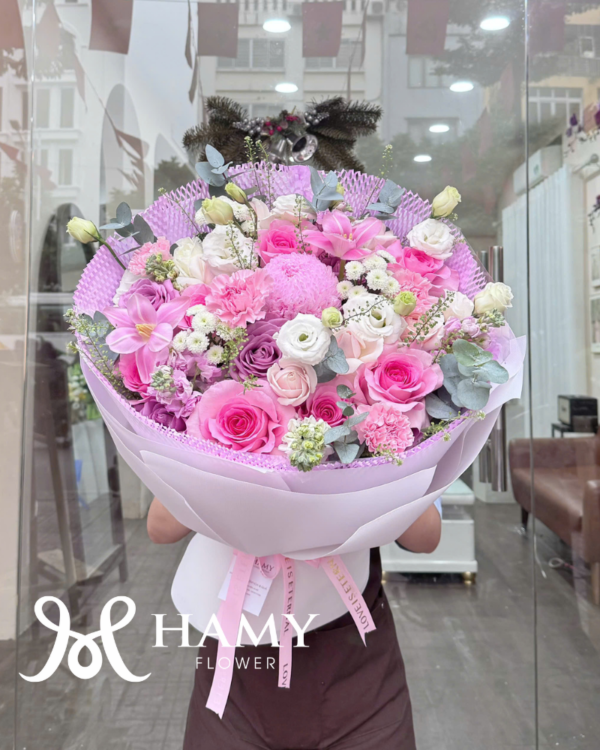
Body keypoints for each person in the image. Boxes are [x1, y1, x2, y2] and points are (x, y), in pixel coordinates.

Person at [148, 497, 442, 750]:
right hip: (237, 682)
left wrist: (380, 459)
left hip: (358, 677)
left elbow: (426, 537)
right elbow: (160, 528)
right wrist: (216, 462)